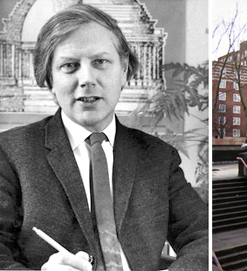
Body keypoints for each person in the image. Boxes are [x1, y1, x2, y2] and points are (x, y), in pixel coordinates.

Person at [0, 4, 209, 270]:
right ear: (50, 80)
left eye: (100, 62)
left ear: (124, 72)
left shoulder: (159, 157)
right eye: (69, 65)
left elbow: (203, 236)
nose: (86, 79)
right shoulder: (9, 153)